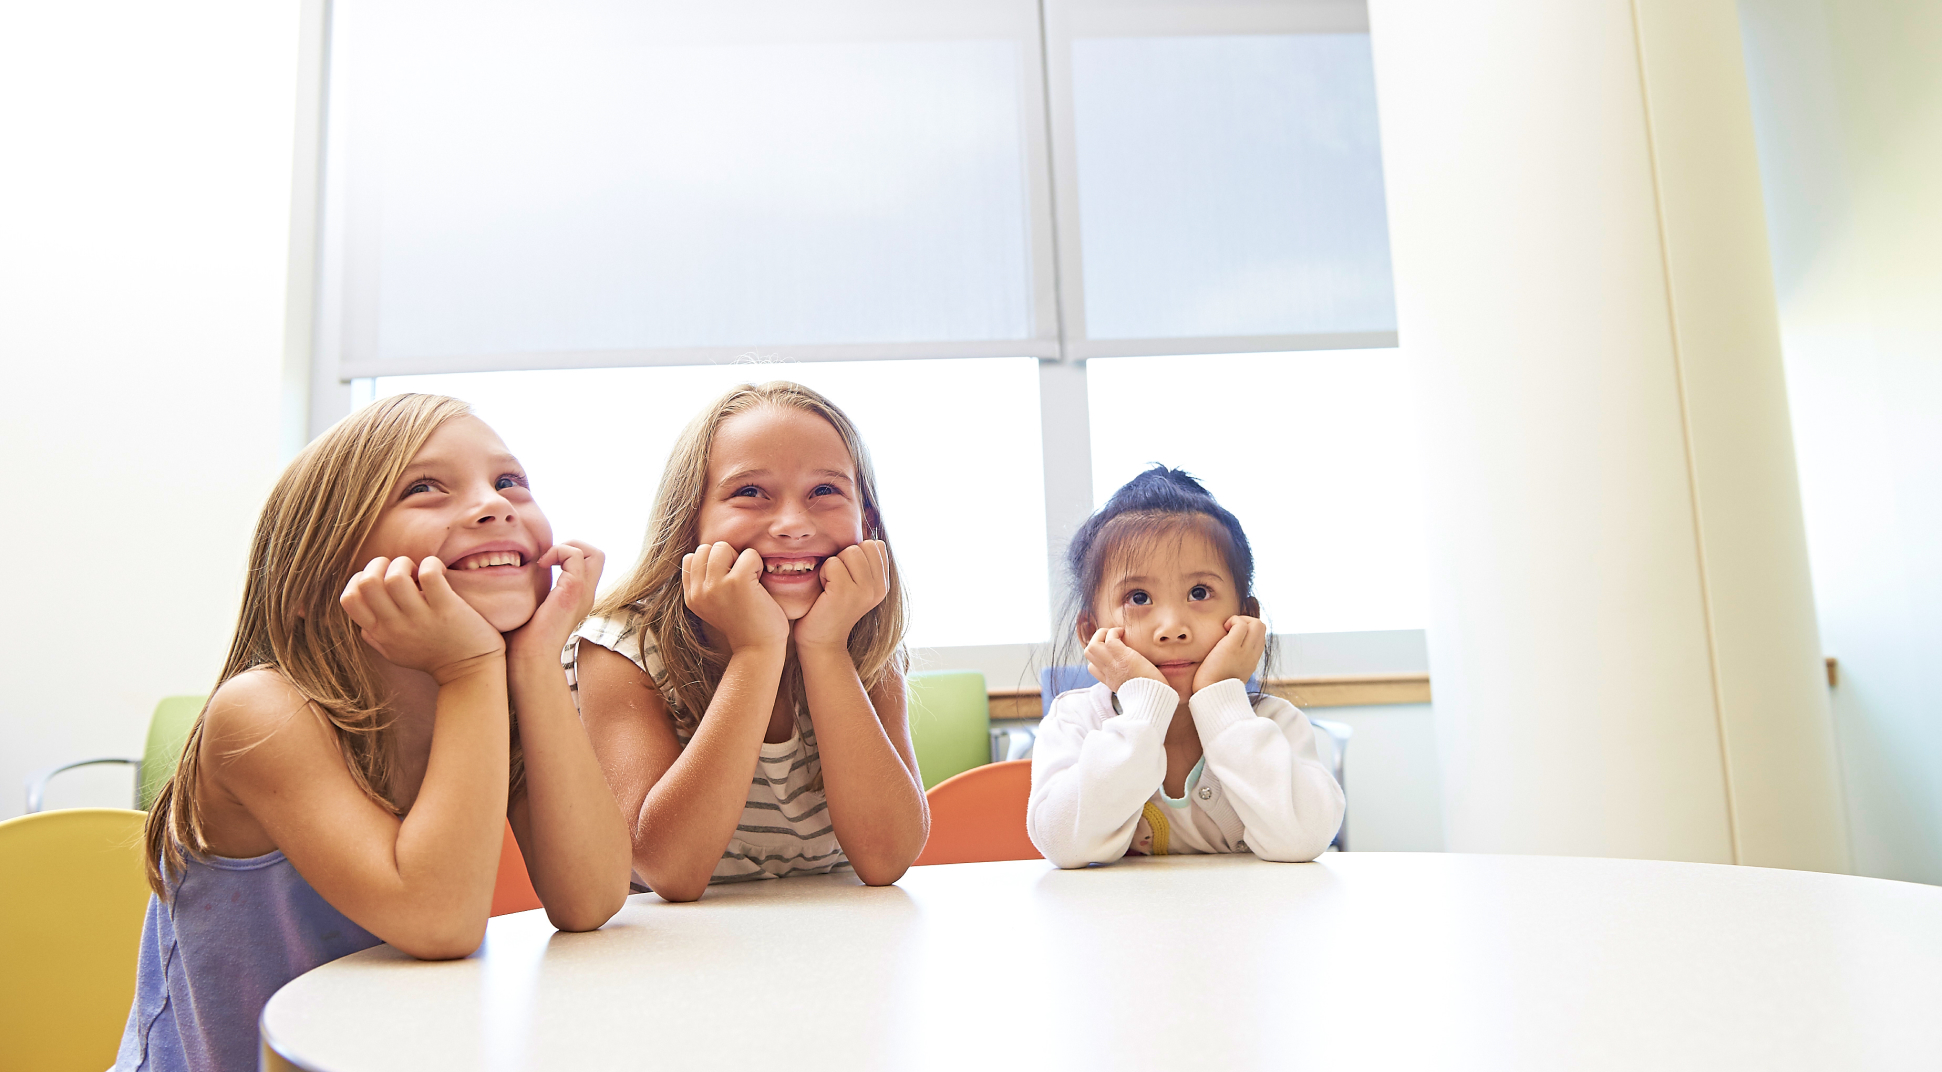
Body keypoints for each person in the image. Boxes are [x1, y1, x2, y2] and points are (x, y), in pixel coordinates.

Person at [116, 394, 632, 1072]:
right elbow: (438, 923)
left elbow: (589, 898)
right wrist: (470, 665)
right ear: (315, 576)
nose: (495, 505)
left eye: (509, 481)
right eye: (424, 488)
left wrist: (536, 662)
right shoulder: (262, 711)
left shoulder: (495, 705)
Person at [569, 381, 927, 902]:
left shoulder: (863, 643)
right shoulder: (620, 648)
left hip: (837, 950)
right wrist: (757, 653)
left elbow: (886, 857)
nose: (792, 525)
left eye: (825, 491)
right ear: (689, 521)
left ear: (865, 520)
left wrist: (825, 649)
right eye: (750, 492)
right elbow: (668, 869)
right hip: (666, 959)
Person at [1028, 466, 1344, 867]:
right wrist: (1143, 706)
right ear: (1092, 629)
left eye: (1199, 592)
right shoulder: (1076, 721)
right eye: (1138, 597)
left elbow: (1304, 838)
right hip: (1119, 928)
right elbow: (1063, 846)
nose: (1172, 627)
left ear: (1246, 616)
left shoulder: (1272, 722)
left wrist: (1221, 700)